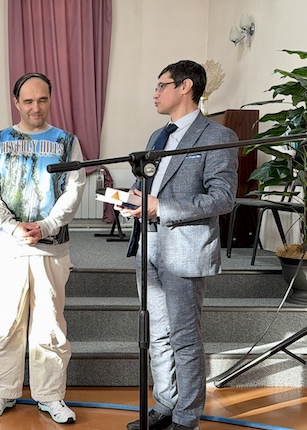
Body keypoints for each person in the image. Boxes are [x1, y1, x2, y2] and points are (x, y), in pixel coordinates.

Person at [123, 60, 238, 430]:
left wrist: (161, 207)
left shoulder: (218, 136)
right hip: (149, 244)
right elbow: (147, 186)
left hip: (185, 247)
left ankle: (187, 418)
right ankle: (166, 405)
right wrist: (132, 199)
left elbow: (222, 198)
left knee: (184, 337)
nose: (155, 93)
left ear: (186, 86)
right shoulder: (157, 136)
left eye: (161, 86)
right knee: (157, 334)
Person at [0, 72, 85, 424]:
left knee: (50, 325)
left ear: (50, 99)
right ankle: (2, 392)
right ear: (16, 102)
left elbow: (73, 190)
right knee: (6, 323)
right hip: (9, 247)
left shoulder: (67, 141)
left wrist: (47, 226)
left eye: (42, 100)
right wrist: (13, 225)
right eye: (28, 101)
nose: (35, 107)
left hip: (51, 248)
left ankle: (50, 396)